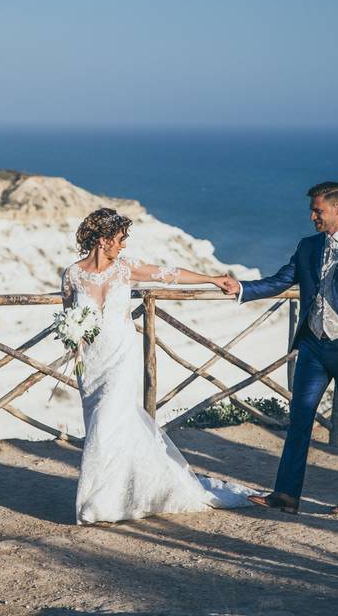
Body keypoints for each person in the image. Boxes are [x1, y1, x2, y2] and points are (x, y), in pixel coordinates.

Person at [61, 207, 256, 525]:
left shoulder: (124, 269)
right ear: (104, 239)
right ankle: (127, 491)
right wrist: (73, 343)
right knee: (106, 426)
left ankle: (98, 503)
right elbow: (69, 315)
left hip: (121, 357)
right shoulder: (71, 274)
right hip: (92, 364)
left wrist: (211, 278)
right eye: (120, 239)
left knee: (107, 423)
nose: (123, 245)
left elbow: (171, 274)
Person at [220, 181, 338, 515]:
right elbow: (281, 280)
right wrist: (241, 287)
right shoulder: (307, 246)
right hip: (313, 349)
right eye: (312, 210)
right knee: (299, 419)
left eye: (318, 210)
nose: (312, 215)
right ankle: (286, 495)